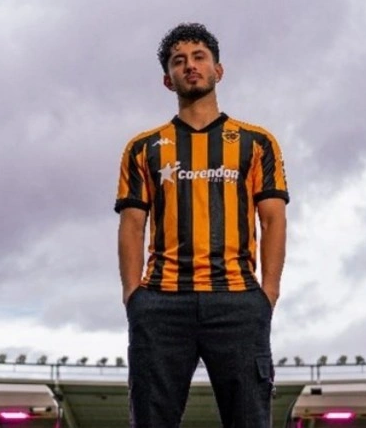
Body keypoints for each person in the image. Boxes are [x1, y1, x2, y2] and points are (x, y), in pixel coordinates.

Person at [114, 22, 289, 428]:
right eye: (179, 61)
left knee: (250, 418)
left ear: (218, 70)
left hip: (237, 299)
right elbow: (132, 225)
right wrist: (133, 296)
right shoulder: (143, 147)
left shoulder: (256, 142)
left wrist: (268, 293)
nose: (190, 66)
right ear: (167, 79)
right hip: (161, 302)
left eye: (199, 57)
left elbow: (273, 219)